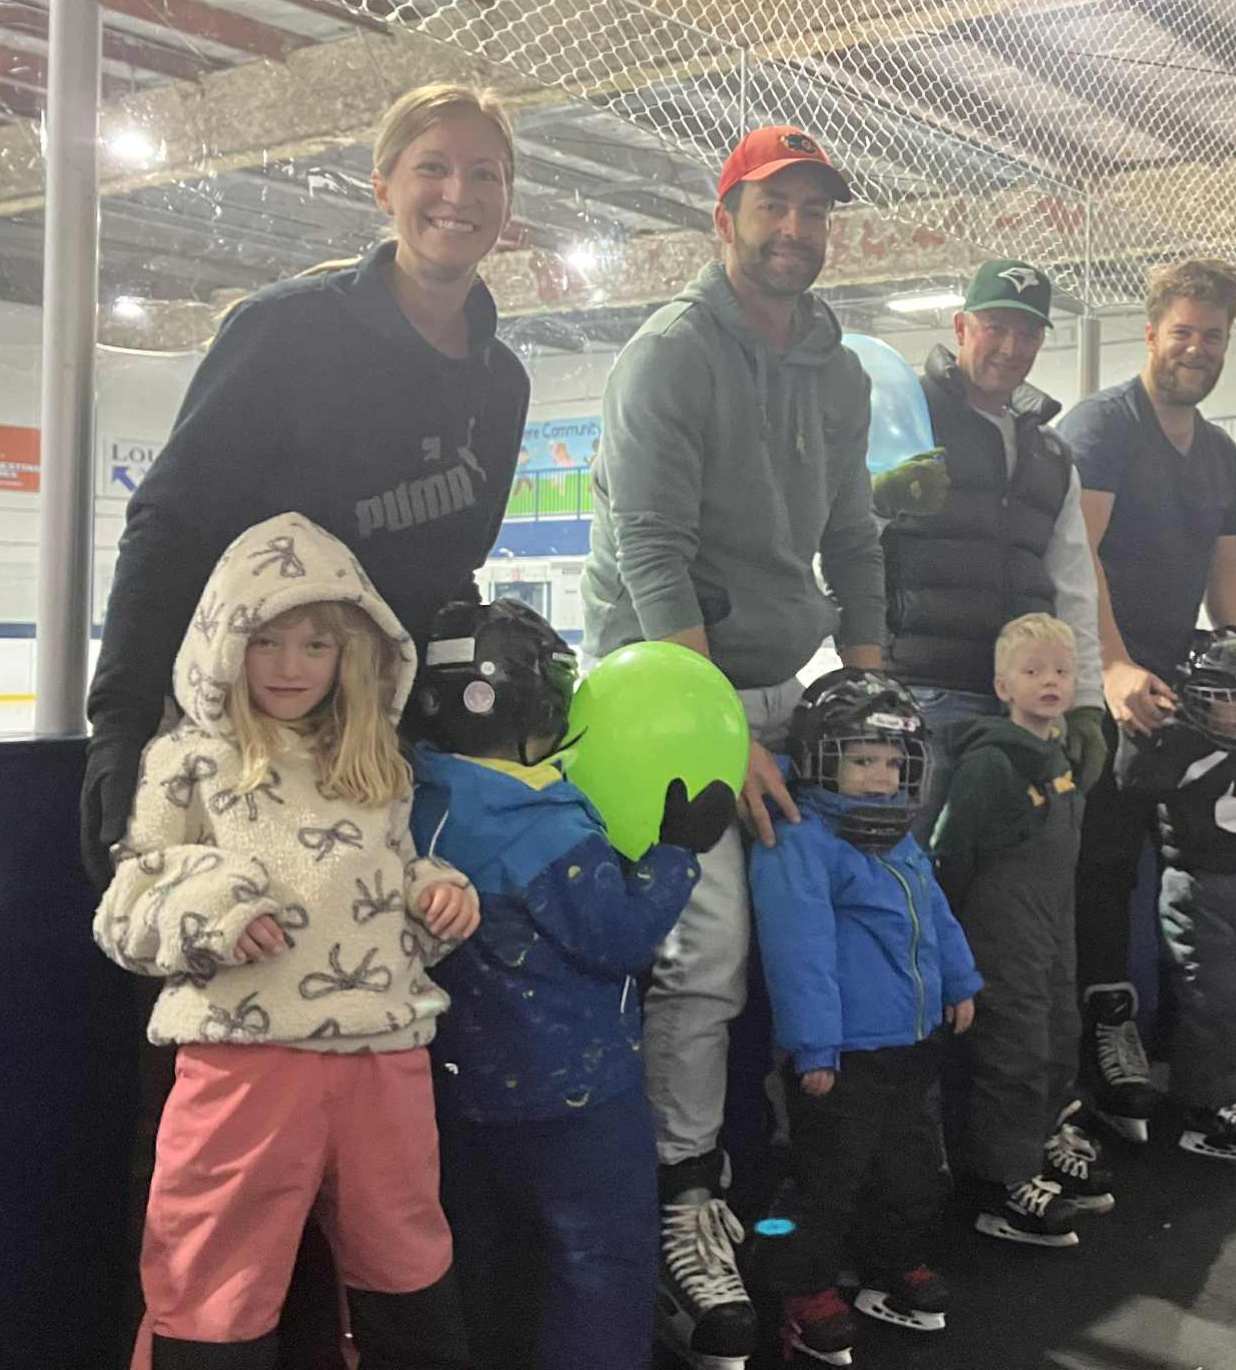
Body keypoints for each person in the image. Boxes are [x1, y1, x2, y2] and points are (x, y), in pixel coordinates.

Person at [580, 123, 883, 1367]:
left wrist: (870, 687)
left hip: (777, 682)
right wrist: (712, 730)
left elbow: (851, 537)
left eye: (814, 210)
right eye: (773, 206)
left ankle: (796, 1215)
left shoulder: (838, 372)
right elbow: (649, 551)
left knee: (818, 932)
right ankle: (680, 1209)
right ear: (724, 219)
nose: (794, 230)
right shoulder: (668, 356)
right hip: (657, 688)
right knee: (704, 953)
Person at [82, 81, 527, 892]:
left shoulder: (503, 383)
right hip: (250, 734)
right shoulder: (285, 333)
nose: (458, 193)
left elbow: (448, 566)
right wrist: (119, 727)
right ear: (383, 187)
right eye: (433, 167)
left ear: (508, 199)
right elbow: (170, 526)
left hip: (381, 747)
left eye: (485, 173)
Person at [91, 512, 481, 1370]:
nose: (288, 665)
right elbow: (127, 906)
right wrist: (216, 908)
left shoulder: (375, 765)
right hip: (245, 1066)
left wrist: (437, 898)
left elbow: (391, 882)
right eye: (265, 641)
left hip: (385, 1059)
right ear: (224, 643)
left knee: (406, 1267)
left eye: (315, 644)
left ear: (352, 655)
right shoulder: (188, 761)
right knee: (210, 1283)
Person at [405, 598, 733, 1370]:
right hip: (579, 1101)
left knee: (487, 1264)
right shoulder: (548, 828)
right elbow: (620, 939)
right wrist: (678, 853)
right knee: (601, 1269)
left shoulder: (417, 803)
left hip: (461, 1094)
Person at [1059, 258, 1236, 1137]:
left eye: (1212, 336)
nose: (1196, 349)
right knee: (1104, 866)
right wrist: (1110, 666)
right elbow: (1079, 557)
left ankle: (1199, 1050)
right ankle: (1107, 1039)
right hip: (1105, 690)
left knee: (1198, 865)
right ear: (1150, 334)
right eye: (1183, 332)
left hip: (1183, 692)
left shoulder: (1219, 450)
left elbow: (1225, 570)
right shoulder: (1103, 427)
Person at [750, 669, 981, 1365]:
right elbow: (799, 950)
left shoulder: (897, 836)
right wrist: (815, 1047)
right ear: (822, 760)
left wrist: (960, 980)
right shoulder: (800, 840)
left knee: (908, 1168)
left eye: (891, 762)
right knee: (828, 1180)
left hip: (911, 1043)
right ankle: (803, 1291)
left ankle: (891, 1260)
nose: (880, 778)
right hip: (844, 1056)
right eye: (861, 761)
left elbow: (935, 913)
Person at [872, 259, 1104, 840]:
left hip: (1022, 711)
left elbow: (1073, 585)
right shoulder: (903, 417)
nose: (1010, 347)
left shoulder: (1052, 454)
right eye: (995, 327)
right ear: (961, 327)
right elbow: (840, 539)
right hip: (920, 697)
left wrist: (1085, 700)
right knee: (908, 870)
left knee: (1007, 881)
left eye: (1027, 333)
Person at [932, 613, 1113, 1248]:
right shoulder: (990, 764)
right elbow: (949, 852)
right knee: (1014, 1051)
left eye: (1061, 670)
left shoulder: (1060, 757)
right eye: (1033, 671)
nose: (1050, 681)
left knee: (1059, 1033)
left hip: (1052, 927)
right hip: (1001, 933)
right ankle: (1002, 1183)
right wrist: (954, 939)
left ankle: (1037, 1148)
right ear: (1003, 686)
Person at [1114, 626, 1236, 1161]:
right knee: (1209, 999)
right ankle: (1203, 1109)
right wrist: (1144, 731)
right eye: (1229, 698)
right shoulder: (1182, 742)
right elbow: (1134, 780)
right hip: (1195, 889)